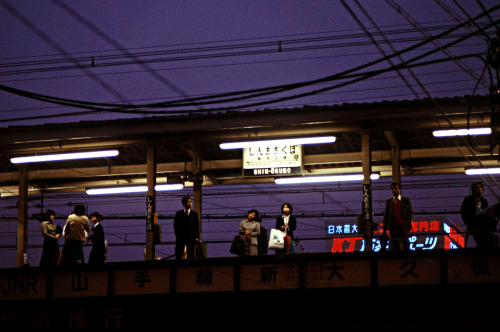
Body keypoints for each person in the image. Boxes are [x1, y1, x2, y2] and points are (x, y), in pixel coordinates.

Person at [460, 182, 497, 248]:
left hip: (482, 222)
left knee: (484, 237)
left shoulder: (484, 200)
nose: (479, 189)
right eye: (477, 187)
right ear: (474, 189)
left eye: (480, 187)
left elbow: (487, 212)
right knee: (482, 237)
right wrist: (467, 222)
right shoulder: (468, 199)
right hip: (473, 221)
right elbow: (464, 211)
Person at [382, 182, 413, 251]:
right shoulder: (389, 202)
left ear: (400, 190)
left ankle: (404, 256)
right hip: (393, 225)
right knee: (394, 244)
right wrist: (385, 227)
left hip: (402, 225)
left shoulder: (405, 200)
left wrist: (406, 222)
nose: (394, 190)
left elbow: (410, 212)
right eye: (392, 189)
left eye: (396, 188)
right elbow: (386, 215)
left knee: (404, 243)